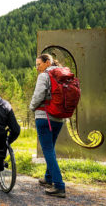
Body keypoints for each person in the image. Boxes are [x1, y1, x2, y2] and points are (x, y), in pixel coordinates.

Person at [29, 54, 66, 198]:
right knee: (51, 148)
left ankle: (59, 186)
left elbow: (38, 95)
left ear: (48, 62)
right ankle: (48, 178)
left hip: (44, 117)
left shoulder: (45, 76)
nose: (37, 67)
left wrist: (32, 107)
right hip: (59, 118)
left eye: (39, 64)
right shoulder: (62, 75)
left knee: (48, 151)